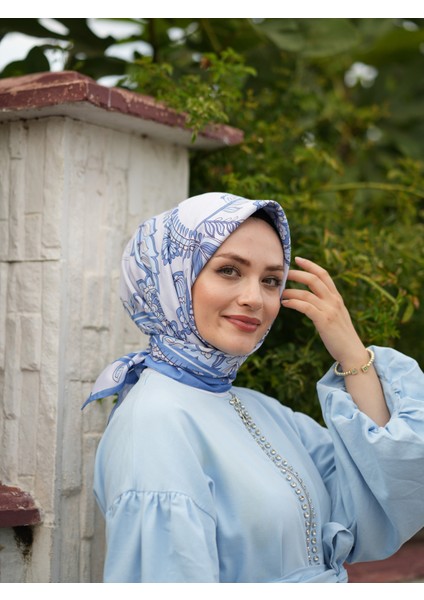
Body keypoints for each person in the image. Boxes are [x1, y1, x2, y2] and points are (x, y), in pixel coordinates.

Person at [84, 192, 424, 583]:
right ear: (171, 278)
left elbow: (382, 488)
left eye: (271, 281)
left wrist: (352, 353)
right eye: (229, 270)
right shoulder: (155, 425)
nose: (254, 299)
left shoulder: (263, 412)